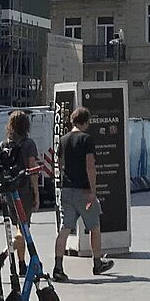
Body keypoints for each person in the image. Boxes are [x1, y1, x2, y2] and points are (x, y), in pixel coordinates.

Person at [52, 106, 114, 280]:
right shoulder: (86, 139)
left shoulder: (63, 140)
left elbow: (59, 164)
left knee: (65, 228)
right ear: (86, 122)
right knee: (94, 226)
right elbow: (90, 166)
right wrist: (93, 190)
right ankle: (97, 262)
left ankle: (58, 266)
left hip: (67, 189)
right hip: (84, 192)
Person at [0, 110, 40, 271]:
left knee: (18, 228)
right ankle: (5, 253)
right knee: (23, 228)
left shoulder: (3, 144)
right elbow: (32, 168)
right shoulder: (28, 144)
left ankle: (21, 264)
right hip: (23, 191)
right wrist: (36, 192)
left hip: (8, 192)